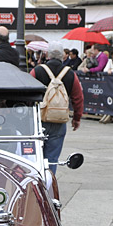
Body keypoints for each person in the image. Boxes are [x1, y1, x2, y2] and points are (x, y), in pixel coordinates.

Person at [30, 41, 84, 170]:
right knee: (52, 158)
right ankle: (49, 186)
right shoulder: (70, 74)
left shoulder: (37, 71)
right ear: (63, 56)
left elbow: (28, 93)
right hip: (58, 119)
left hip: (39, 118)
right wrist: (76, 118)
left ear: (47, 54)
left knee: (35, 156)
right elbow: (78, 98)